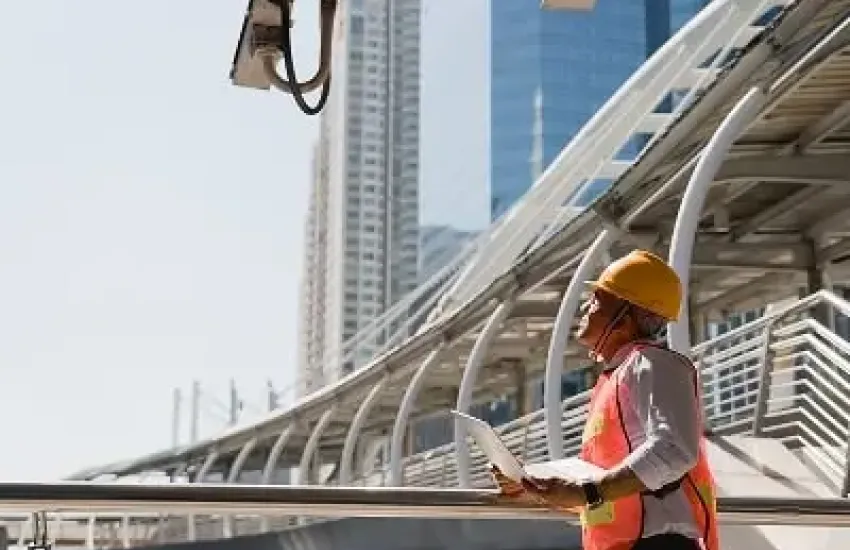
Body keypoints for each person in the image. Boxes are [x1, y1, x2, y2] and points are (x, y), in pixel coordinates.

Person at [493, 250, 718, 550]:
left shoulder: (653, 364)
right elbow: (603, 479)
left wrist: (587, 492)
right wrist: (530, 483)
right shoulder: (617, 377)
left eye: (598, 298)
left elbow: (674, 449)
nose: (587, 306)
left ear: (625, 318)